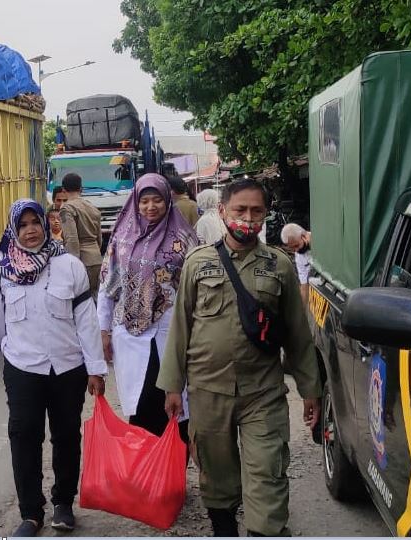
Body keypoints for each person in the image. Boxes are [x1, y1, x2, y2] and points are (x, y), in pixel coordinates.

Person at [157, 179, 322, 537]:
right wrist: (173, 386)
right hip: (207, 391)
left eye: (256, 211)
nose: (248, 218)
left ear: (265, 216)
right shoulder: (197, 264)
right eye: (240, 210)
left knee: (267, 471)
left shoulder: (279, 265)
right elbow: (180, 327)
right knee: (217, 476)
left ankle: (266, 531)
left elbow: (298, 333)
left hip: (262, 392)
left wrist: (311, 390)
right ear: (222, 212)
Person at [0, 199, 107, 537]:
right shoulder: (2, 270)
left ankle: (63, 503)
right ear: (14, 230)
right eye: (23, 225)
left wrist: (95, 368)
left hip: (67, 366)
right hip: (23, 367)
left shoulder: (68, 266)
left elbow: (86, 319)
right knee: (23, 436)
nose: (30, 230)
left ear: (46, 225)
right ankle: (31, 514)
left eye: (36, 223)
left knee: (65, 435)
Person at [98, 173, 197, 443]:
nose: (150, 207)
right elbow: (107, 286)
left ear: (167, 201)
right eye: (144, 201)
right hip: (130, 335)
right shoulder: (122, 238)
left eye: (156, 201)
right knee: (140, 404)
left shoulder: (184, 238)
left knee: (175, 403)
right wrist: (103, 330)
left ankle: (172, 472)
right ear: (135, 203)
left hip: (171, 332)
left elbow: (195, 287)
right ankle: (144, 474)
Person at [59, 173, 103, 296]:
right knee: (94, 299)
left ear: (63, 190)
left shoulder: (67, 209)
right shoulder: (92, 207)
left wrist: (72, 265)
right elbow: (99, 238)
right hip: (96, 259)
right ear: (81, 189)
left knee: (80, 301)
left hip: (81, 261)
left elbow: (72, 239)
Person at [281, 223, 312, 304]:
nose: (296, 250)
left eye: (296, 245)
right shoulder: (299, 256)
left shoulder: (322, 240)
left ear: (304, 236)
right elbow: (304, 285)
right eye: (292, 248)